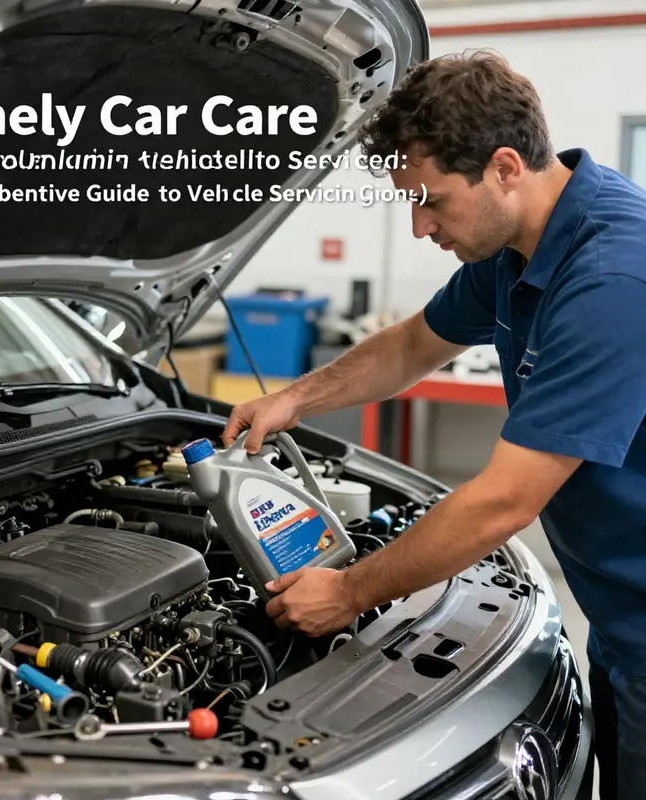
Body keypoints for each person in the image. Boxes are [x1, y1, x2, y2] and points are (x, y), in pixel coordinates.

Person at [221, 50, 646, 797]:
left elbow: (503, 503)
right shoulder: (518, 247)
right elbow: (414, 344)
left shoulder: (612, 277)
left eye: (432, 201)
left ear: (506, 166)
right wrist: (295, 399)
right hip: (617, 617)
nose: (420, 227)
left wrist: (348, 592)